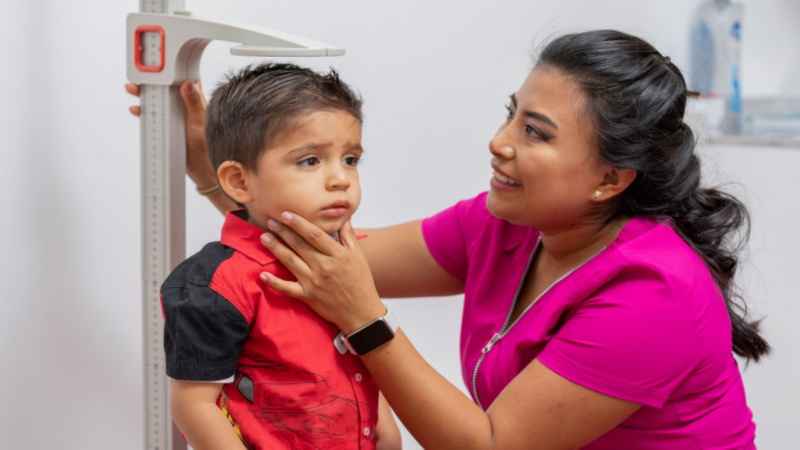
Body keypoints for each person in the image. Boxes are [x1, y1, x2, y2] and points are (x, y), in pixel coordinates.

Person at [128, 30, 768, 450]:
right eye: (510, 111)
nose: (500, 140)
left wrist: (366, 322)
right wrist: (222, 173)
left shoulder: (655, 294)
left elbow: (490, 448)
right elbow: (312, 260)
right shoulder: (507, 226)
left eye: (537, 132)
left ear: (610, 179)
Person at [156, 63, 401, 450]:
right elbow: (194, 404)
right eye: (310, 161)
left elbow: (358, 357)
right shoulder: (216, 284)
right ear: (239, 181)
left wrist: (384, 429)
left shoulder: (342, 261)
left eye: (351, 159)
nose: (341, 178)